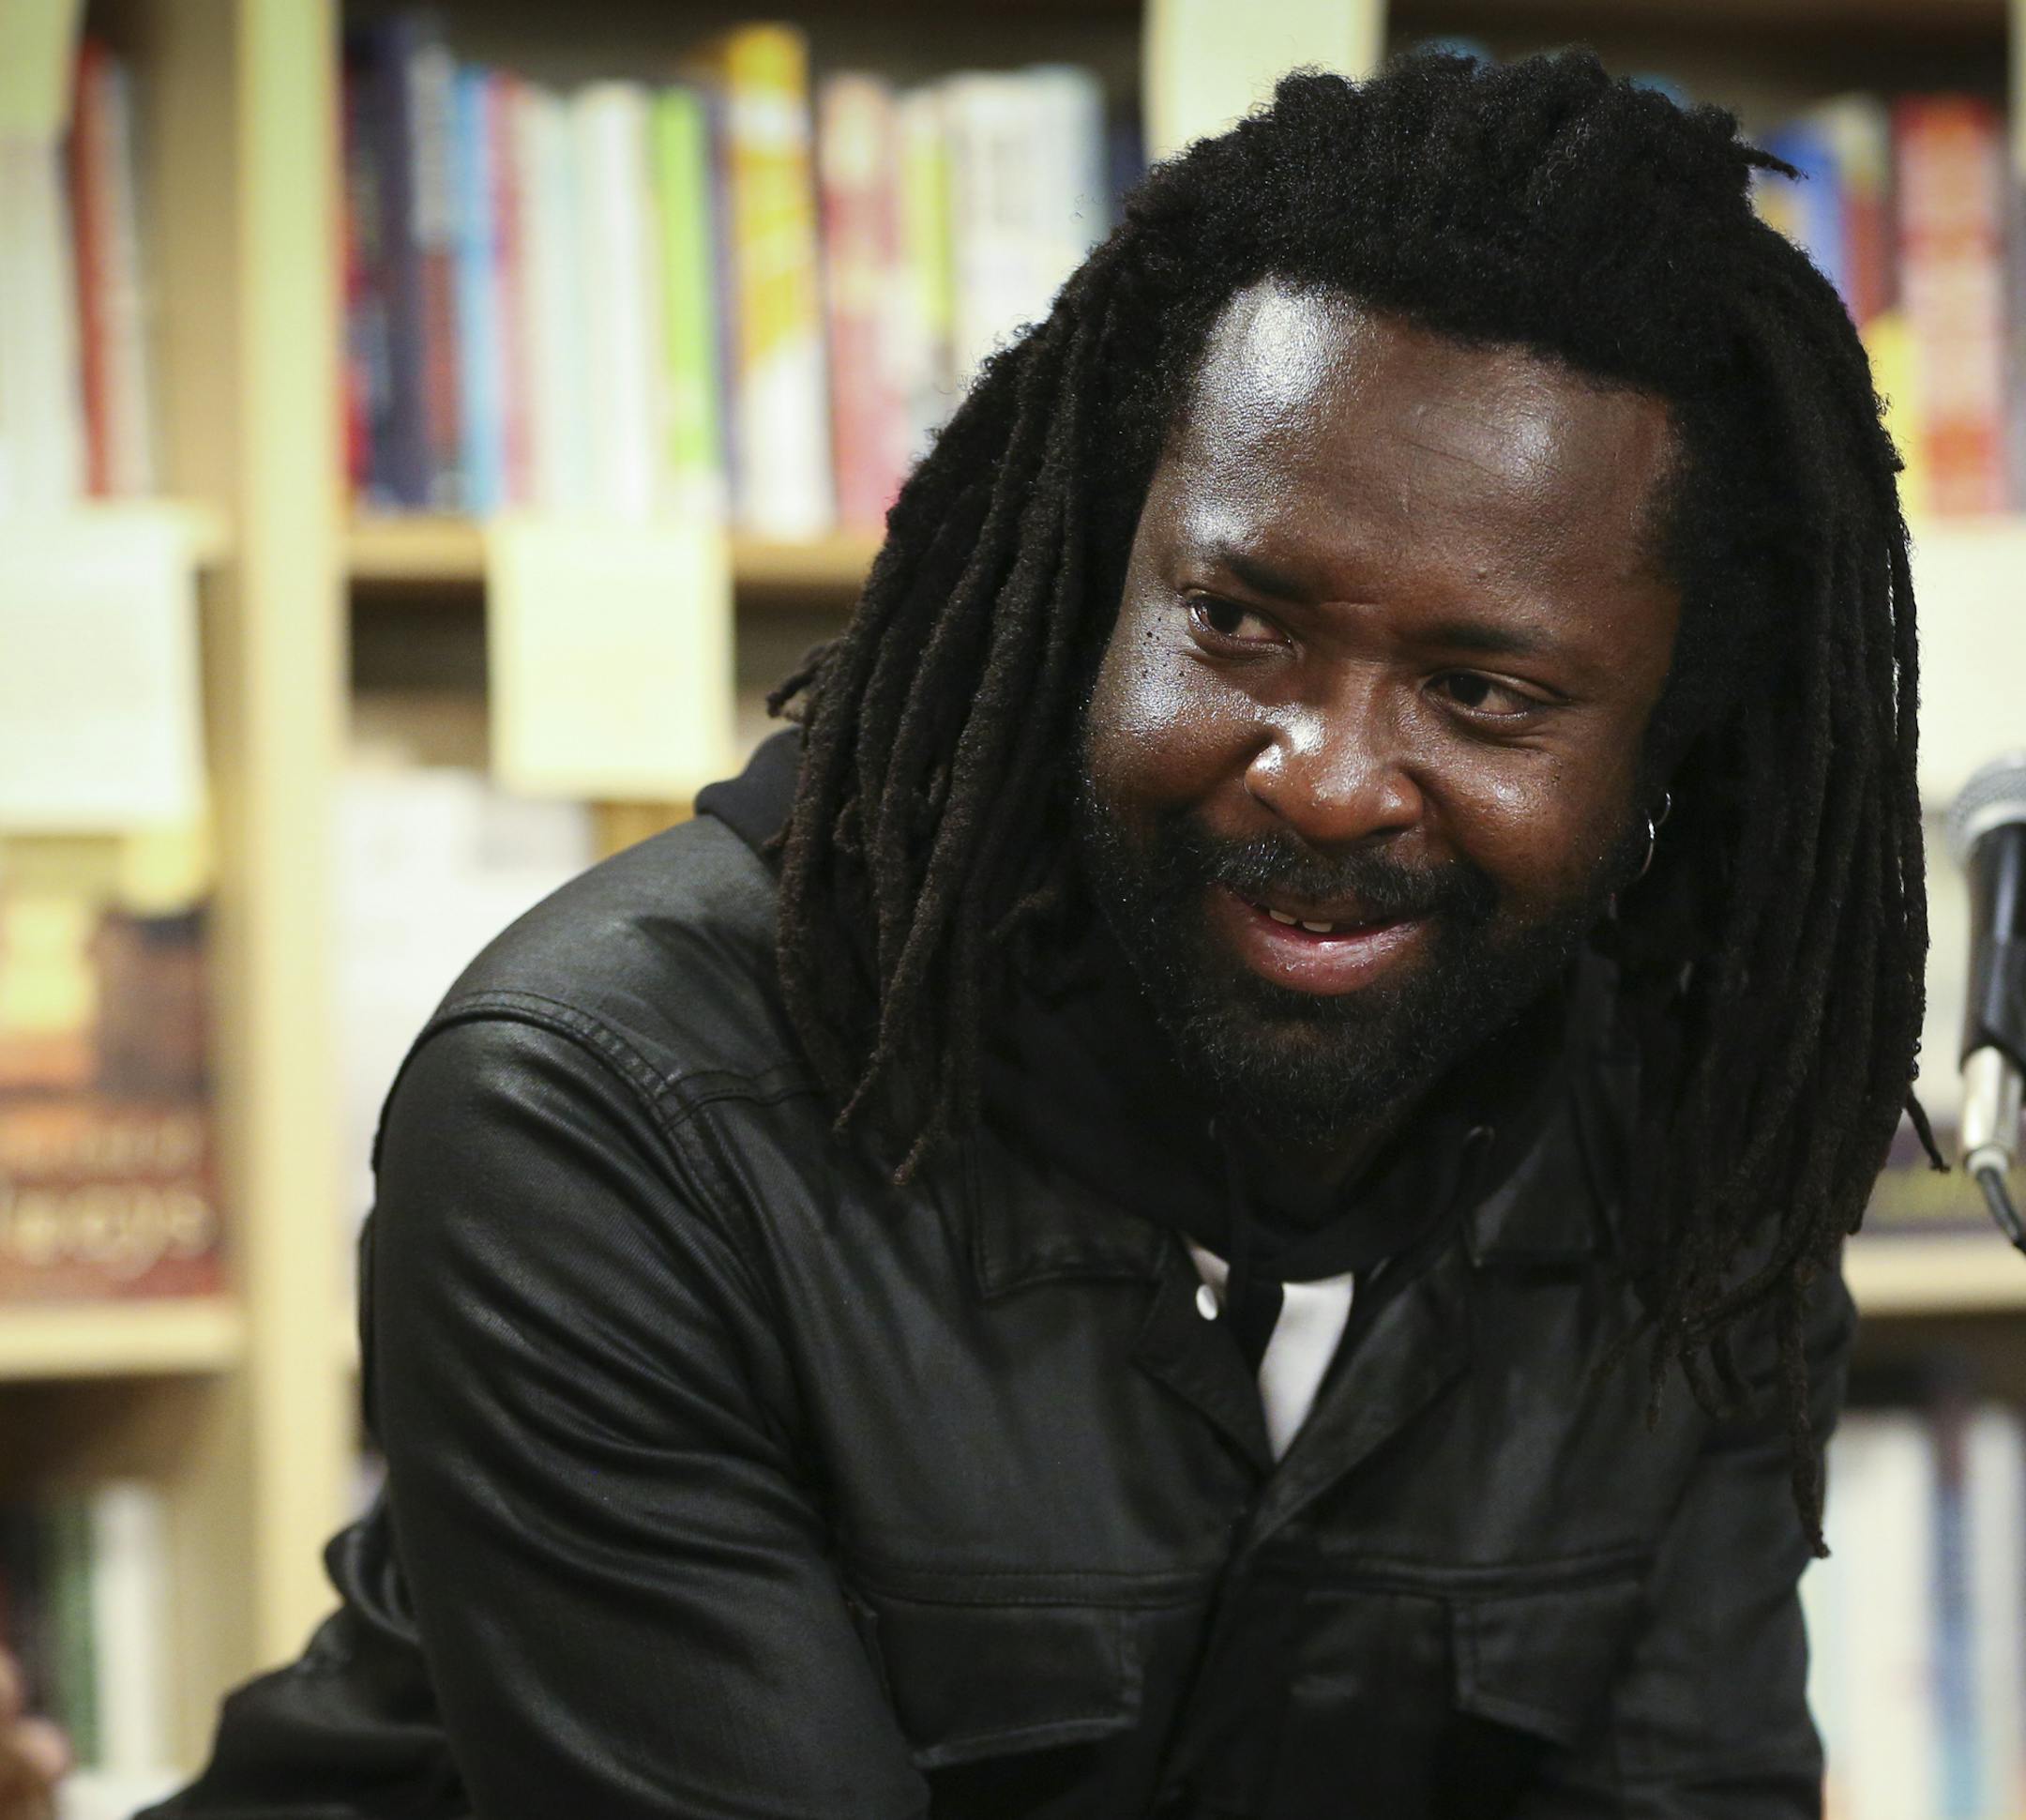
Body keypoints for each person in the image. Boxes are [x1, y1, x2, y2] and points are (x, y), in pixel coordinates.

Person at [2, 46, 1934, 1820]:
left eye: (1485, 693)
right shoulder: (612, 1110)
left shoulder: (1700, 1129)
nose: (1330, 778)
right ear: (1107, 568)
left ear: (1670, 740)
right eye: (1241, 621)